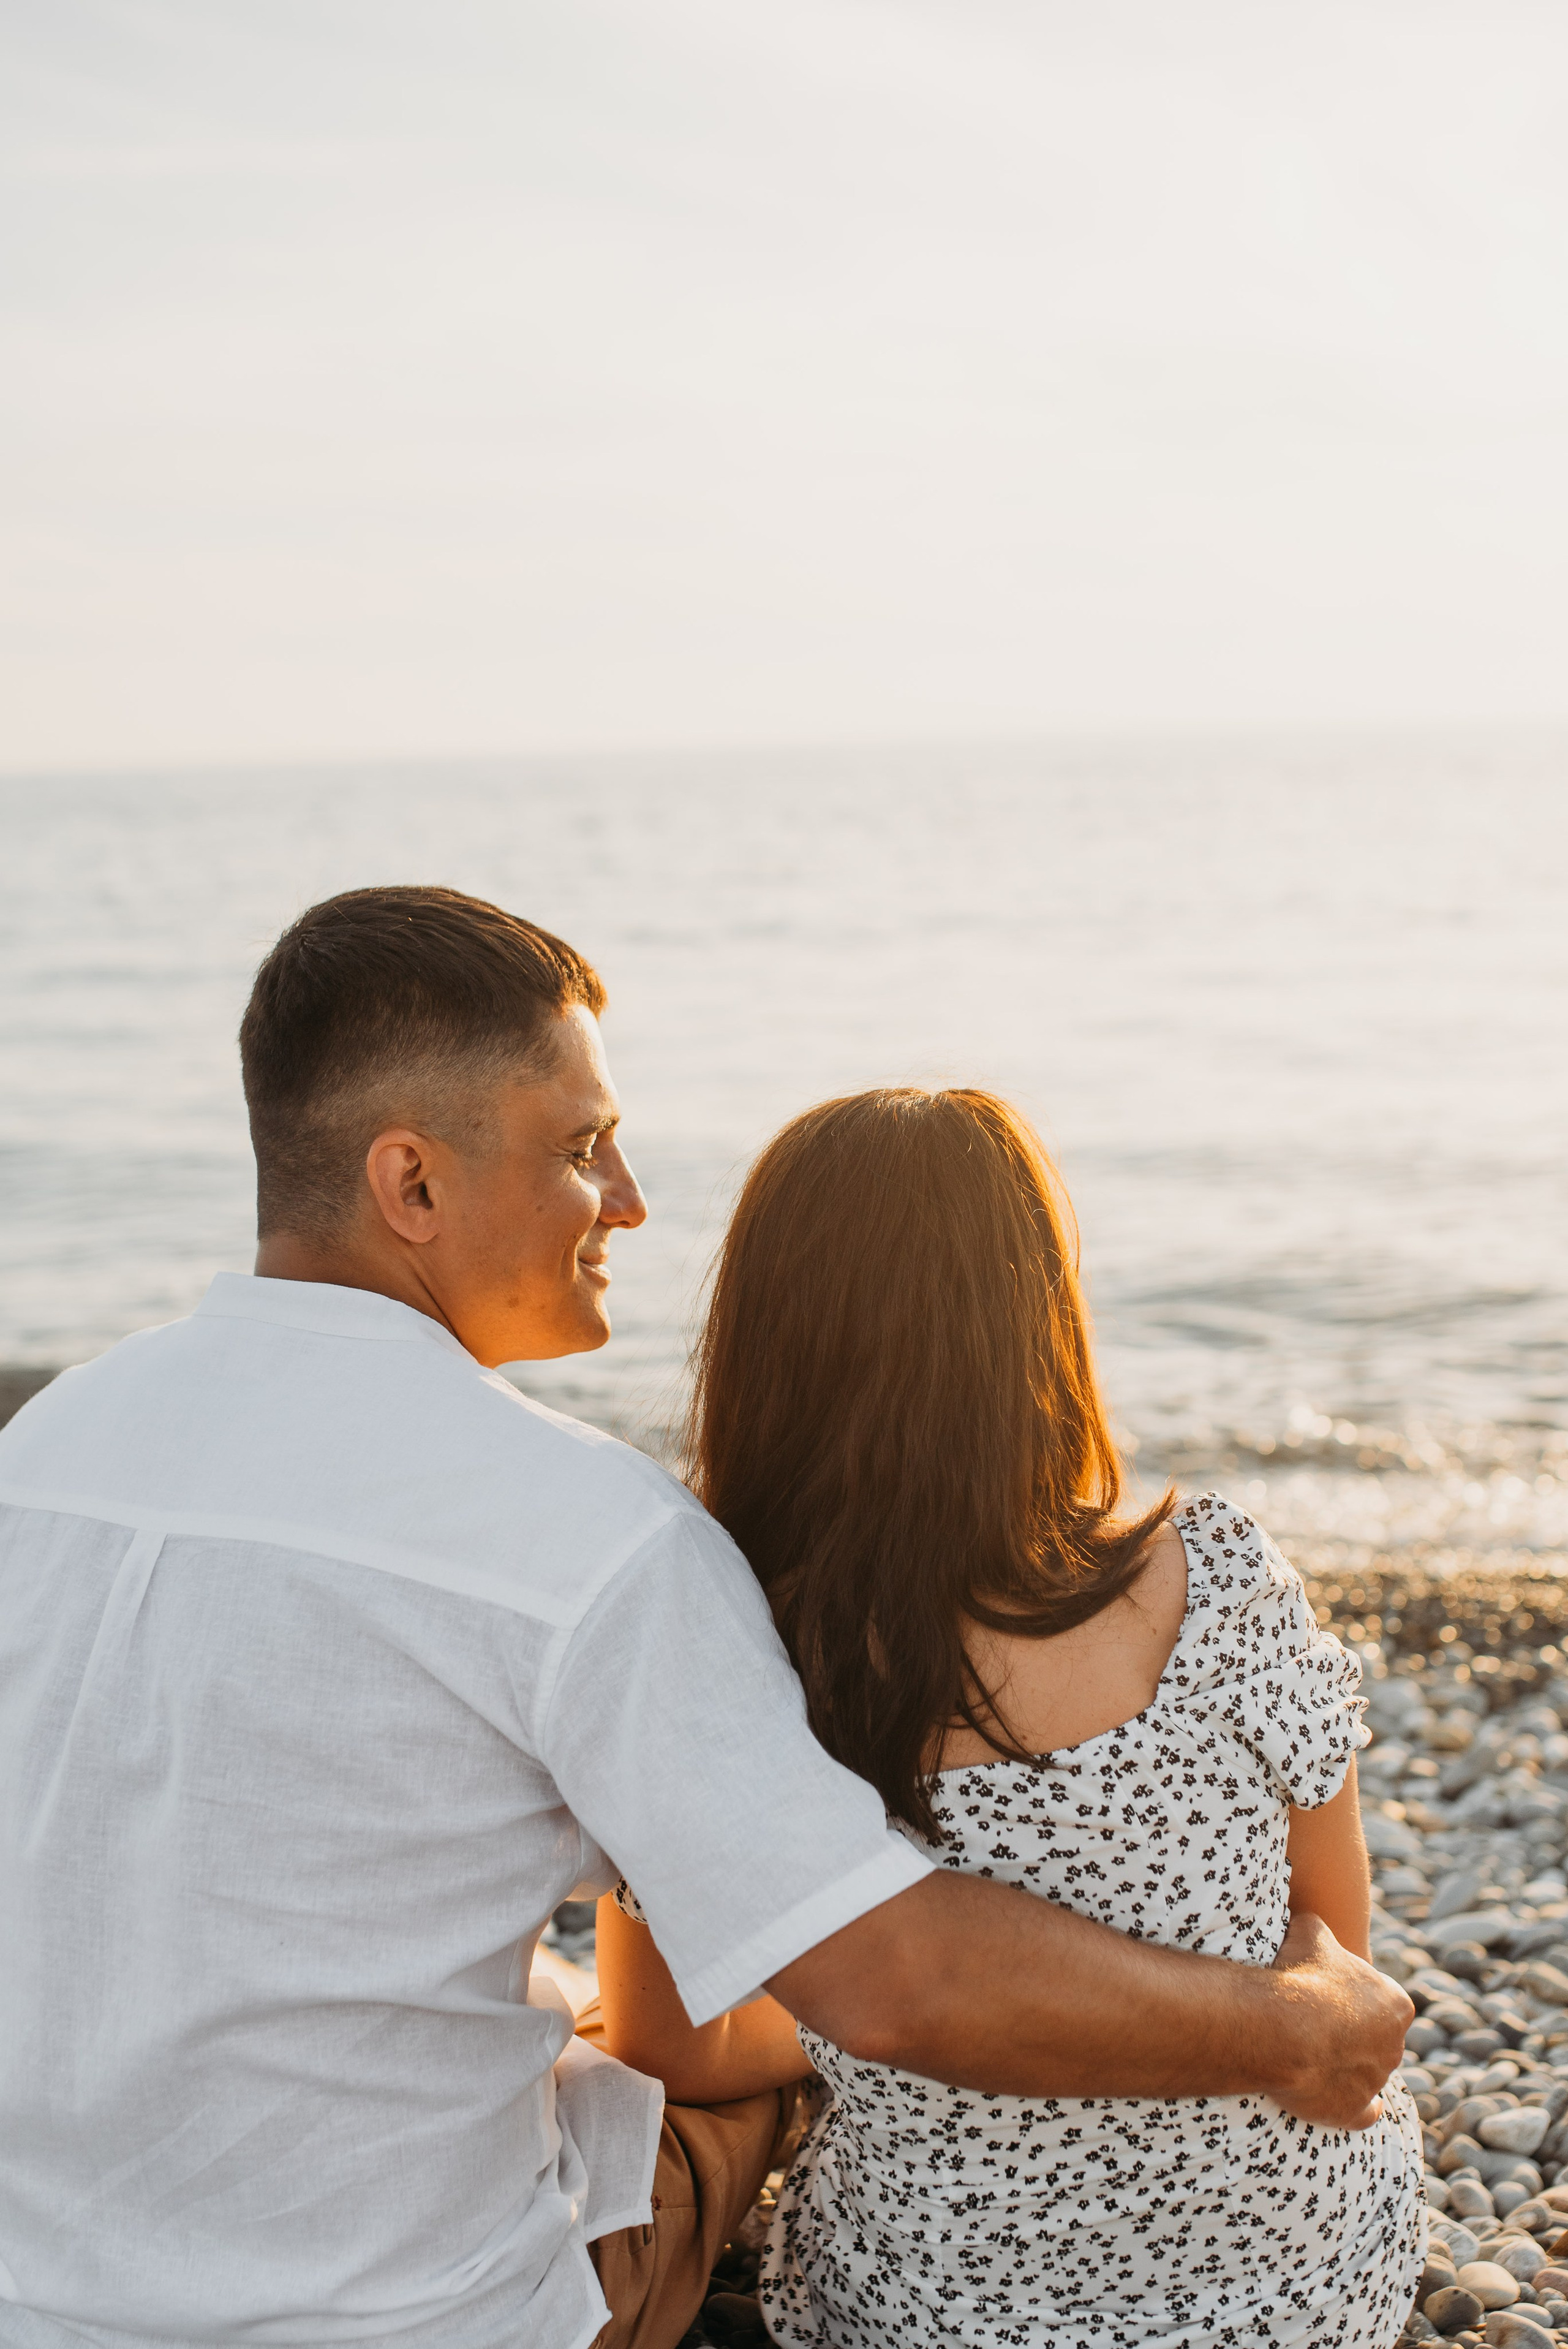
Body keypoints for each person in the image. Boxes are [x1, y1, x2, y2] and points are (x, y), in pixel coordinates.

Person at [0, 889, 1411, 2349]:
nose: (626, 1200)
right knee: (728, 2082)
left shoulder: (45, 1449)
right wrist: (1299, 2028)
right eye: (579, 1147)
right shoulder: (579, 1531)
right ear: (409, 1185)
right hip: (417, 2318)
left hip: (38, 2294)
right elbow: (895, 1984)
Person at [595, 1088, 1426, 2347]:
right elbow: (1327, 1949)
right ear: (1036, 1317)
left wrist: (896, 2041)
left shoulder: (720, 1647)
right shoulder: (1213, 1582)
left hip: (936, 2319)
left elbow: (679, 2049)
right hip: (1300, 2300)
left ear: (765, 1340)